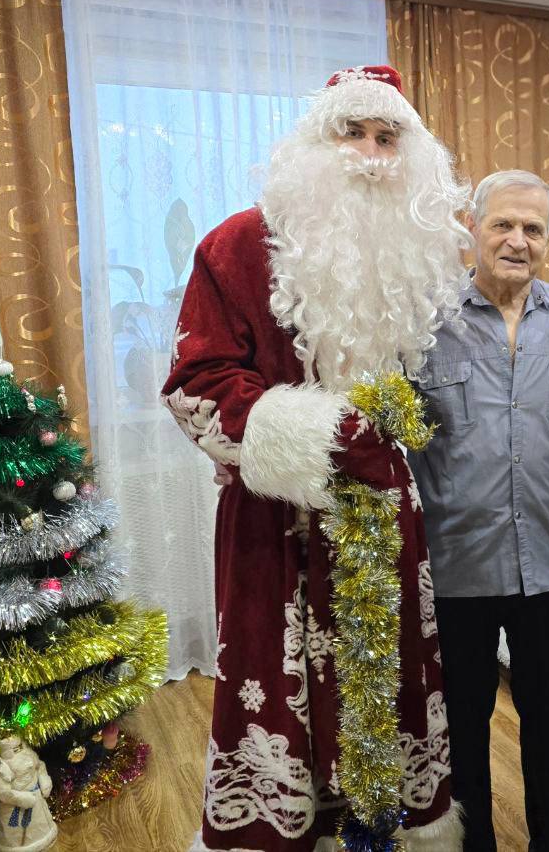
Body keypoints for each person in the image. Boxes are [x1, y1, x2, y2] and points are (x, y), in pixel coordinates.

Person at [161, 66, 466, 851]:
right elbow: (196, 380)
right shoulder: (237, 244)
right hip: (277, 514)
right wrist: (322, 437)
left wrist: (382, 437)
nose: (370, 153)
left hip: (385, 508)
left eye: (387, 138)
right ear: (314, 145)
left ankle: (383, 826)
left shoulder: (413, 251)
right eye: (351, 133)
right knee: (275, 677)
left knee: (387, 677)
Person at [407, 169, 549, 852]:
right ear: (473, 228)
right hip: (456, 563)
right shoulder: (426, 319)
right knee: (462, 727)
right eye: (503, 225)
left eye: (533, 229)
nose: (518, 241)